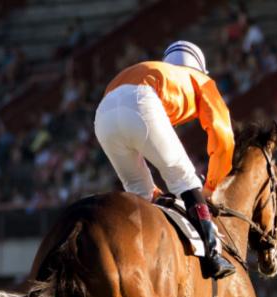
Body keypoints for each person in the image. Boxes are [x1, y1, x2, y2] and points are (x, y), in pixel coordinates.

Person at [93, 41, 235, 279]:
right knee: (184, 178)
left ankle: (138, 261)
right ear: (200, 68)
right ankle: (212, 255)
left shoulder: (155, 70)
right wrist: (210, 186)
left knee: (141, 191)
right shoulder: (200, 80)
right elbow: (223, 137)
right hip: (141, 101)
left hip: (102, 113)